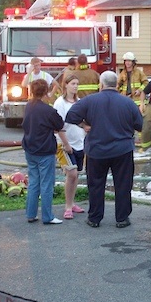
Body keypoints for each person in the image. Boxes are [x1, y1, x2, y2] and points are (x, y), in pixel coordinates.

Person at [66, 71, 143, 228]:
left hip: (97, 150)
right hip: (122, 150)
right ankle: (122, 218)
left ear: (101, 84)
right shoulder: (128, 103)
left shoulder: (89, 101)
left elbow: (71, 116)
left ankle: (94, 218)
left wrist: (84, 125)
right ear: (116, 84)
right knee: (123, 184)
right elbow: (140, 125)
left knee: (95, 185)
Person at [22, 79, 64, 225]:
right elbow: (59, 124)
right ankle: (48, 216)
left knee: (33, 182)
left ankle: (31, 214)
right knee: (46, 184)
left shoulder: (28, 106)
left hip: (30, 149)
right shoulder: (48, 110)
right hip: (45, 151)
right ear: (46, 92)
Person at [53, 74, 86, 220]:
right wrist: (66, 144)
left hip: (79, 142)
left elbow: (83, 121)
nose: (75, 86)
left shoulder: (80, 102)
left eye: (77, 84)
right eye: (73, 83)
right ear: (66, 85)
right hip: (65, 143)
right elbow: (58, 125)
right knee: (71, 173)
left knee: (76, 174)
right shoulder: (60, 103)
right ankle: (67, 206)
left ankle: (72, 203)